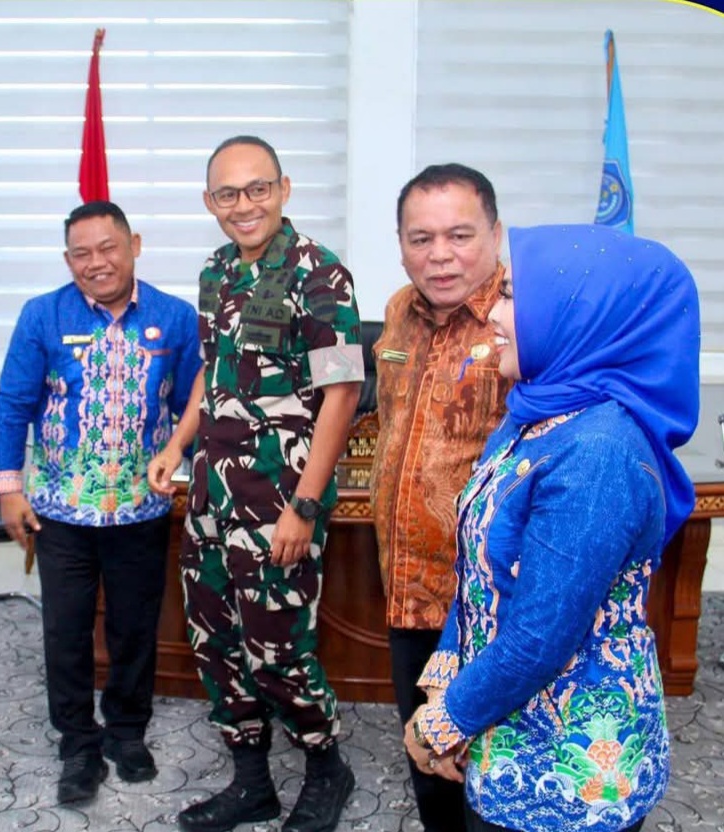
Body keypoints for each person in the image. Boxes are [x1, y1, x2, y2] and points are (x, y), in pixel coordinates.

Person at [403, 224, 699, 832]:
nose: (492, 314)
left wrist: (438, 723)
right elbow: (479, 569)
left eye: (513, 296)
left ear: (580, 314)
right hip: (502, 723)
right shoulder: (536, 412)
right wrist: (446, 684)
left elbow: (539, 638)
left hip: (568, 776)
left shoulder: (599, 453)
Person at [149, 136, 363, 832]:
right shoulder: (215, 272)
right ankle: (252, 781)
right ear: (209, 202)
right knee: (214, 640)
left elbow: (343, 393)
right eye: (228, 193)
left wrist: (305, 505)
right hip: (212, 495)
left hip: (279, 501)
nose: (244, 205)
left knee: (278, 649)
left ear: (284, 189)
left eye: (258, 188)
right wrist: (176, 445)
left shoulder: (320, 274)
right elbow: (212, 369)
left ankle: (327, 767)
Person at [0, 200, 202, 804]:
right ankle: (78, 743)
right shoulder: (41, 316)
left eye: (108, 247)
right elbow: (12, 405)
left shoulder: (175, 317)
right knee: (66, 630)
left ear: (134, 245)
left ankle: (127, 731)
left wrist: (193, 469)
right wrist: (9, 489)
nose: (96, 262)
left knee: (134, 627)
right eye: (81, 253)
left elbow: (194, 403)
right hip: (60, 513)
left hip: (140, 510)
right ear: (67, 260)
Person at [370, 163, 514, 831]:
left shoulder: (522, 320)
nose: (440, 255)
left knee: (490, 767)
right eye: (421, 238)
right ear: (401, 244)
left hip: (487, 604)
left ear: (496, 234)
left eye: (460, 235)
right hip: (406, 587)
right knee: (428, 759)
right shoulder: (399, 310)